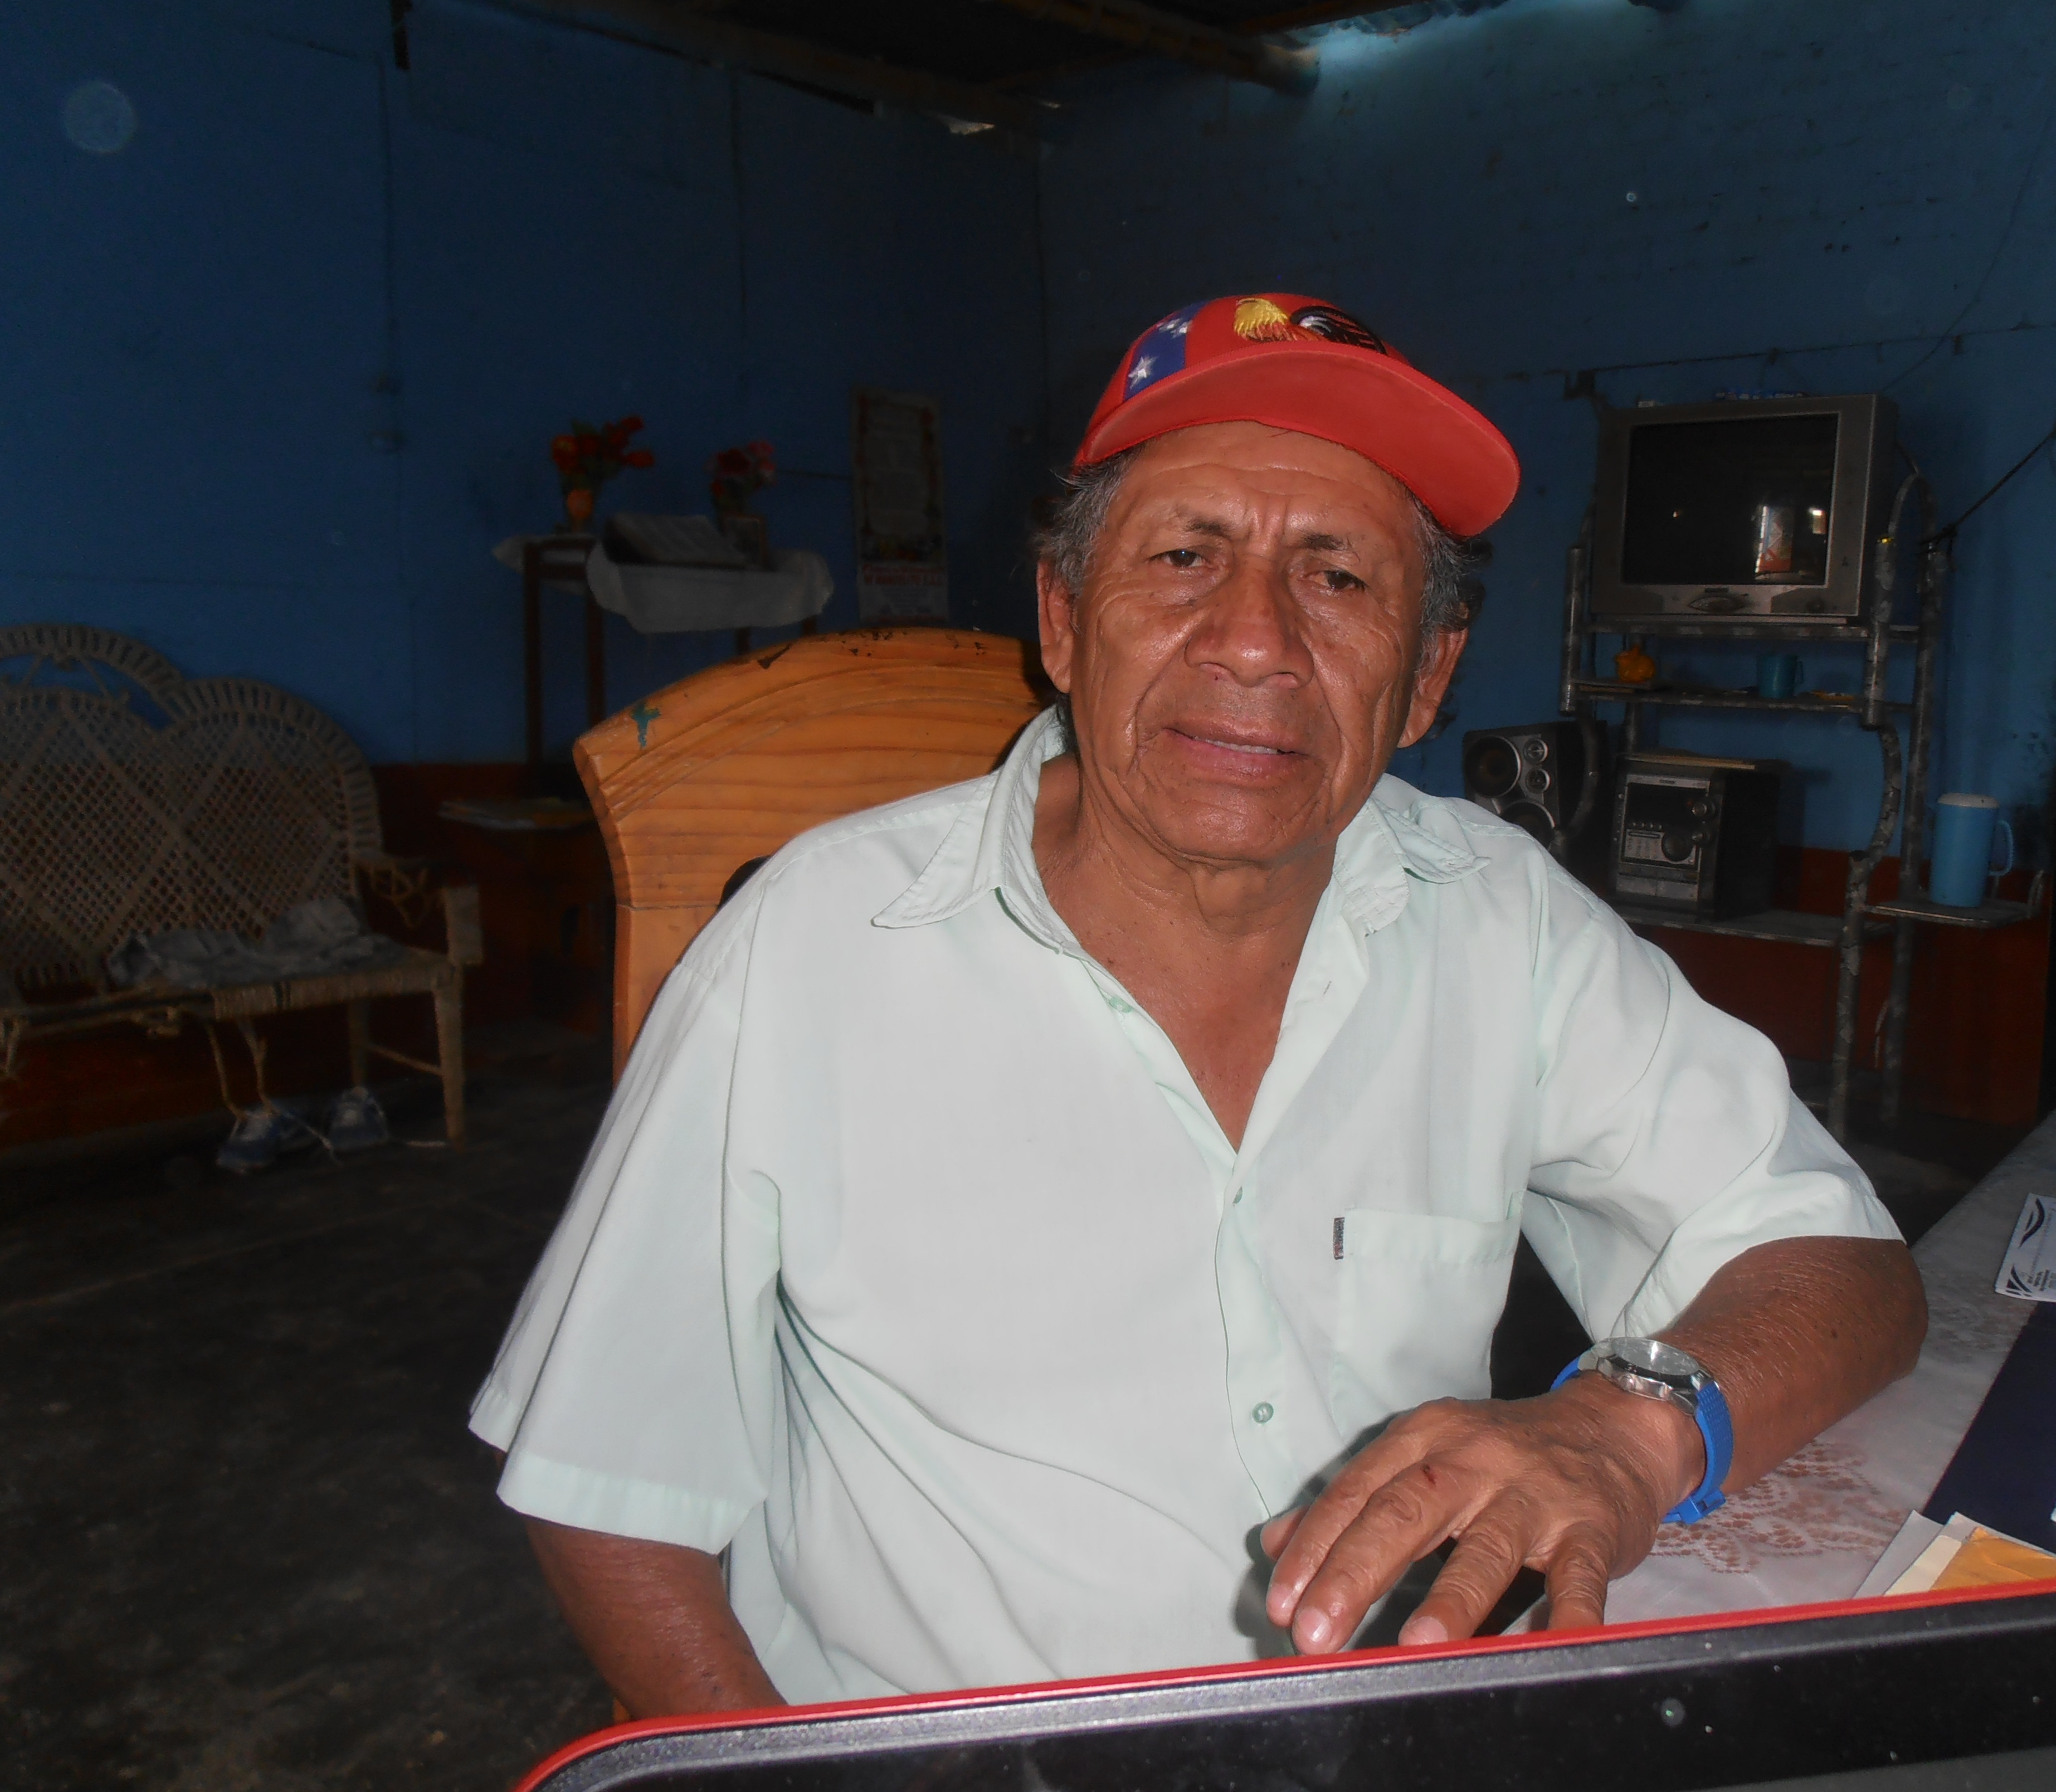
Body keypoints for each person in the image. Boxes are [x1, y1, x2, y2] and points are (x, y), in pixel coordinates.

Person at [470, 293, 1927, 1717]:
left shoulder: (1501, 919)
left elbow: (1846, 1266)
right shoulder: (809, 946)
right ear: (1062, 617)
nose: (1255, 642)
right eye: (1184, 557)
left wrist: (1626, 1436)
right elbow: (608, 1484)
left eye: (1338, 580)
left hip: (1382, 1735)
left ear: (1427, 677)